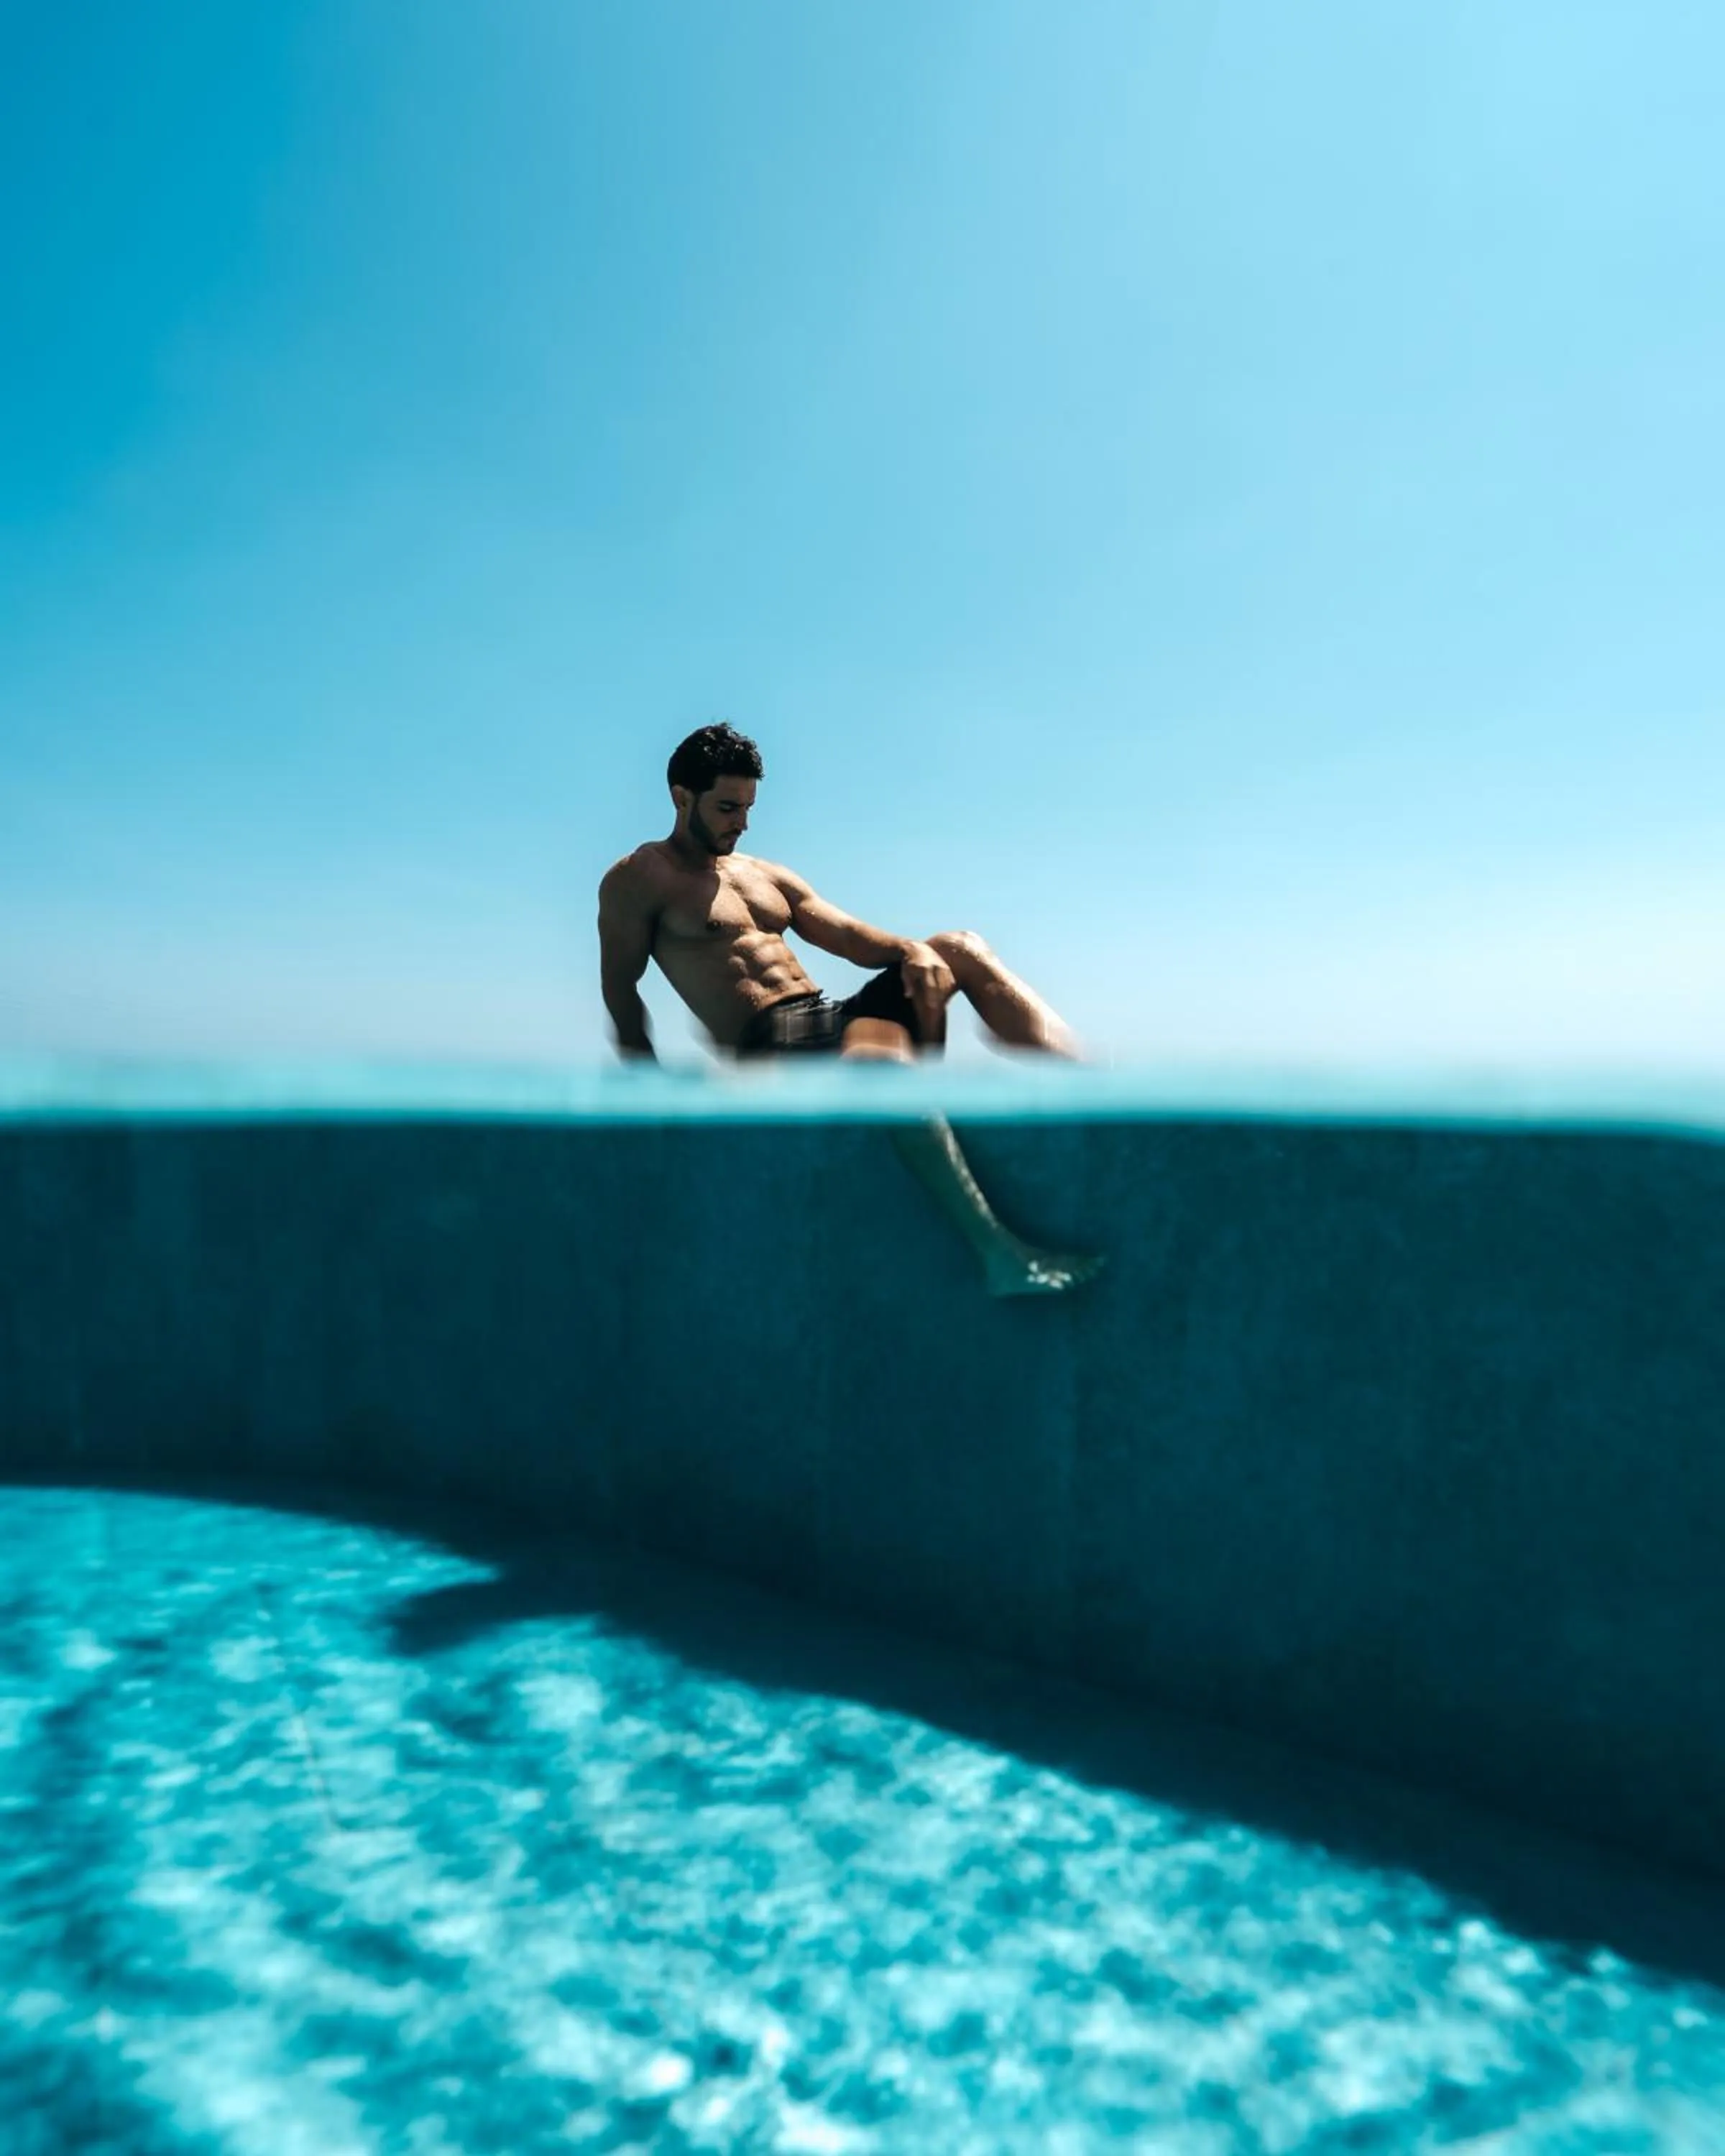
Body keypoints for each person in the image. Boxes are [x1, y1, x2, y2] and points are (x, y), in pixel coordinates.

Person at [597, 724, 1101, 1294]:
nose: (742, 823)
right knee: (880, 1057)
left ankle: (1091, 1086)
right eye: (728, 808)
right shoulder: (638, 879)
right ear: (681, 797)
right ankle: (1001, 1256)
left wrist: (911, 950)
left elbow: (847, 936)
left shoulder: (762, 875)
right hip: (768, 1049)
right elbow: (621, 992)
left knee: (959, 947)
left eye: (749, 808)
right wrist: (648, 1109)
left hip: (829, 1019)